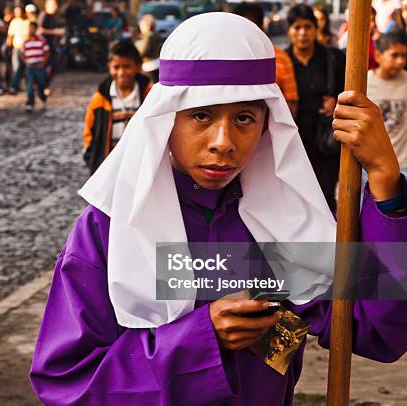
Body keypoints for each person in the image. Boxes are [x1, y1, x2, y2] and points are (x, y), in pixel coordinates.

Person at [30, 13, 407, 405]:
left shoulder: (283, 223)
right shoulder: (109, 229)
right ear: (165, 120)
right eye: (201, 115)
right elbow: (67, 384)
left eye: (244, 117)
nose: (223, 141)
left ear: (266, 125)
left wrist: (384, 180)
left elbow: (376, 330)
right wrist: (199, 338)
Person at [286, 4, 346, 212]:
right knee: (296, 195)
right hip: (294, 139)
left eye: (308, 27)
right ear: (289, 31)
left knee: (326, 194)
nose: (303, 33)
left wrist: (337, 99)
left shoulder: (333, 57)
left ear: (315, 29)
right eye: (297, 27)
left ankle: (329, 240)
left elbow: (351, 89)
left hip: (326, 139)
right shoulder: (282, 61)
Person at [82, 41, 152, 174]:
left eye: (127, 66)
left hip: (140, 164)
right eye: (116, 67)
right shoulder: (100, 98)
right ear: (109, 67)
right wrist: (90, 154)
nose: (121, 72)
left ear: (138, 66)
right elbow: (89, 128)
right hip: (110, 165)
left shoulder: (148, 95)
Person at [234, 2, 299, 118]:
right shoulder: (224, 59)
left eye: (250, 30)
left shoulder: (280, 58)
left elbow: (291, 104)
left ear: (262, 29)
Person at [367, 32, 407, 172]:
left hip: (403, 164)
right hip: (372, 166)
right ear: (378, 56)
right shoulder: (364, 83)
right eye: (395, 55)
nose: (400, 61)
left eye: (404, 56)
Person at [38, 0, 65, 90]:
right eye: (54, 4)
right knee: (45, 66)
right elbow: (40, 30)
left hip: (52, 45)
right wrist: (55, 32)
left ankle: (44, 85)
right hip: (44, 46)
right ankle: (41, 86)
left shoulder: (53, 16)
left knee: (55, 66)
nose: (55, 7)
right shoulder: (44, 15)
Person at [22, 21, 48, 112]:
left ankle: (42, 99)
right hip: (30, 67)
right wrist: (26, 62)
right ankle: (30, 103)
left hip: (39, 67)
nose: (30, 30)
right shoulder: (26, 41)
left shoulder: (41, 40)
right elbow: (23, 54)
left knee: (41, 85)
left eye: (32, 28)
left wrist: (43, 63)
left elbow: (47, 52)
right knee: (29, 86)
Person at [6, 5, 29, 94]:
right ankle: (14, 86)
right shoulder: (14, 22)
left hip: (26, 48)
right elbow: (10, 35)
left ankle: (27, 86)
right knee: (16, 68)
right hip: (17, 47)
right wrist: (8, 46)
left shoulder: (27, 22)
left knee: (27, 68)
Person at [135, 14, 160, 83]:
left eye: (142, 26)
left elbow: (142, 51)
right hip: (153, 65)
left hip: (150, 66)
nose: (140, 28)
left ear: (148, 26)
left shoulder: (149, 36)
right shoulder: (152, 35)